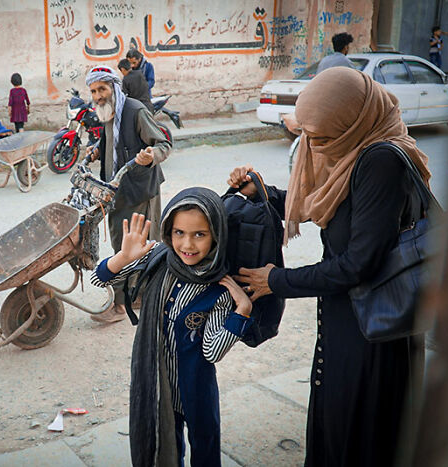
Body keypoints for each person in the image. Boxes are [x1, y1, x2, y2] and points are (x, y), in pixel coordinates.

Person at [229, 67, 430, 467]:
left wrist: (278, 281)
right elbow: (325, 203)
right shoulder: (354, 153)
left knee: (360, 434)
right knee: (337, 424)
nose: (314, 147)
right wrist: (264, 191)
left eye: (323, 138)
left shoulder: (379, 161)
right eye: (308, 135)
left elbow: (358, 263)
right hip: (349, 317)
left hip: (373, 330)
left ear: (353, 123)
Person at [90, 194, 253, 466]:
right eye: (179, 232)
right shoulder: (158, 259)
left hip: (197, 388)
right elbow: (98, 278)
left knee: (205, 447)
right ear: (168, 231)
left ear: (217, 236)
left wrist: (242, 311)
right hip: (157, 385)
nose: (187, 244)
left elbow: (212, 351)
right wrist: (122, 257)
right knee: (165, 443)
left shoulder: (219, 288)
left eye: (199, 234)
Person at [85, 65, 171, 323]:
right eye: (93, 91)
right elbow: (114, 142)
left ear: (113, 87)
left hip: (140, 191)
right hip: (116, 190)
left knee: (138, 245)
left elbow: (163, 144)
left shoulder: (134, 110)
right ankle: (135, 296)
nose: (98, 95)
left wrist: (150, 156)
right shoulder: (108, 112)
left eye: (102, 89)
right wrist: (98, 150)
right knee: (121, 243)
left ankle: (123, 305)